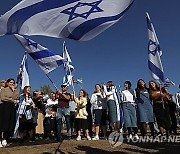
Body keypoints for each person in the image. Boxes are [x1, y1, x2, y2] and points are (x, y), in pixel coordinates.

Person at [0, 78, 19, 147]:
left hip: (12, 108)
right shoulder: (4, 90)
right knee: (2, 124)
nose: (12, 84)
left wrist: (13, 91)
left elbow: (17, 98)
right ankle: (0, 139)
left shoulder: (16, 91)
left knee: (9, 124)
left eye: (13, 83)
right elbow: (3, 98)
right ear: (7, 83)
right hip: (4, 108)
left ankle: (5, 139)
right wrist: (11, 99)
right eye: (10, 82)